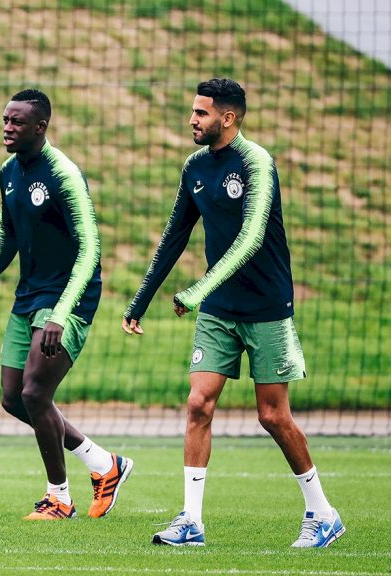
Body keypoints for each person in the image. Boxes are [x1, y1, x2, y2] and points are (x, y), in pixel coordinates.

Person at [123, 78, 344, 548]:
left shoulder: (257, 162)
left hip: (266, 306)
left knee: (272, 416)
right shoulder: (194, 166)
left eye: (201, 113)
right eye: (193, 112)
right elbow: (173, 236)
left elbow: (252, 237)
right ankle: (191, 522)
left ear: (227, 117)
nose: (192, 120)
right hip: (219, 310)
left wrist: (197, 289)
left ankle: (322, 513)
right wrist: (140, 301)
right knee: (199, 404)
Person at [0, 89, 133, 521]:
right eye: (5, 120)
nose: (7, 127)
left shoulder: (64, 174)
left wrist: (61, 312)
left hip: (68, 298)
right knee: (12, 398)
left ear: (40, 127)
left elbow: (90, 246)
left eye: (16, 122)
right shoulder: (7, 172)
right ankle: (103, 464)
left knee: (36, 392)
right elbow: (9, 235)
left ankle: (59, 498)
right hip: (28, 296)